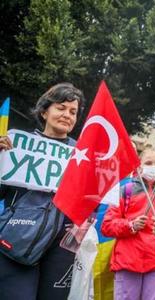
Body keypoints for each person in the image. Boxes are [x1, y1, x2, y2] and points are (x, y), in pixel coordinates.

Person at [0, 83, 85, 299]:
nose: (67, 115)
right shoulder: (15, 145)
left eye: (73, 112)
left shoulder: (82, 155)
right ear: (44, 111)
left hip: (61, 250)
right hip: (16, 246)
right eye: (61, 108)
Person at [101, 148, 155, 300]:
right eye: (149, 163)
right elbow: (107, 225)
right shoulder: (126, 190)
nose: (153, 167)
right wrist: (130, 225)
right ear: (139, 166)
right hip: (128, 261)